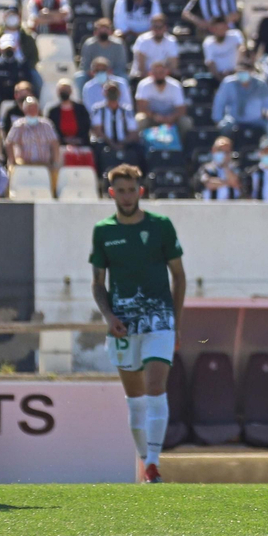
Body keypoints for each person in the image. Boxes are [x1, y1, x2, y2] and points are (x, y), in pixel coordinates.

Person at [91, 164, 187, 484]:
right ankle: (146, 463)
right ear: (112, 193)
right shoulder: (103, 231)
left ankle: (155, 462)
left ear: (140, 191)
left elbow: (179, 276)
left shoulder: (161, 226)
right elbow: (97, 284)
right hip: (123, 325)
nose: (128, 196)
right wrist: (109, 317)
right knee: (135, 401)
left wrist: (175, 322)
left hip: (159, 320)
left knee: (156, 388)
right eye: (122, 190)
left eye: (133, 190)